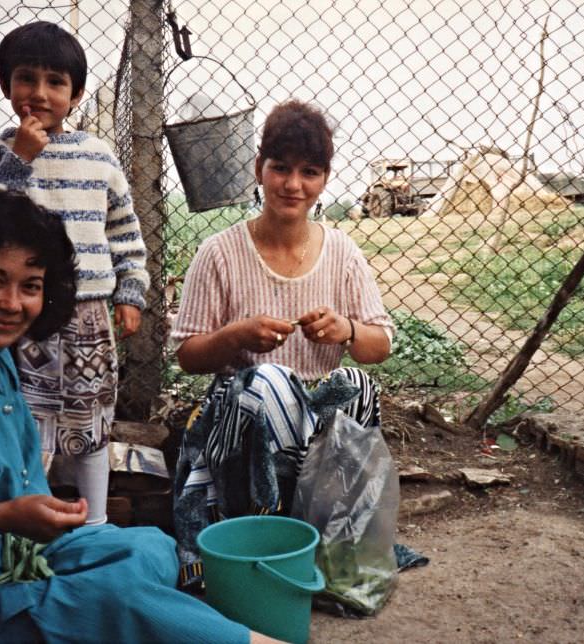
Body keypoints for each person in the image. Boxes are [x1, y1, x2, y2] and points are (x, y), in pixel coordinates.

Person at [0, 190, 283, 643]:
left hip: (12, 562)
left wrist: (41, 514)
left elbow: (21, 499)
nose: (12, 303)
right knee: (108, 600)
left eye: (30, 286)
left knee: (151, 547)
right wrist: (4, 516)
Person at [170, 99, 396, 588]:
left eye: (309, 172)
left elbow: (379, 346)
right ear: (259, 169)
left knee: (356, 383)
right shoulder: (220, 253)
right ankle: (264, 531)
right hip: (241, 421)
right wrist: (236, 336)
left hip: (315, 422)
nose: (293, 185)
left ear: (325, 179)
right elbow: (187, 355)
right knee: (270, 382)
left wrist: (348, 331)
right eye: (281, 169)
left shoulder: (342, 253)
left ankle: (333, 534)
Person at [0, 21, 149, 525]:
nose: (39, 94)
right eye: (25, 78)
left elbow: (124, 231)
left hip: (86, 313)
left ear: (76, 94)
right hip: (16, 316)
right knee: (18, 418)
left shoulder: (97, 156)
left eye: (55, 82)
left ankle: (96, 522)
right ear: (5, 86)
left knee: (90, 420)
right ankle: (23, 520)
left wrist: (130, 290)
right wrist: (19, 158)